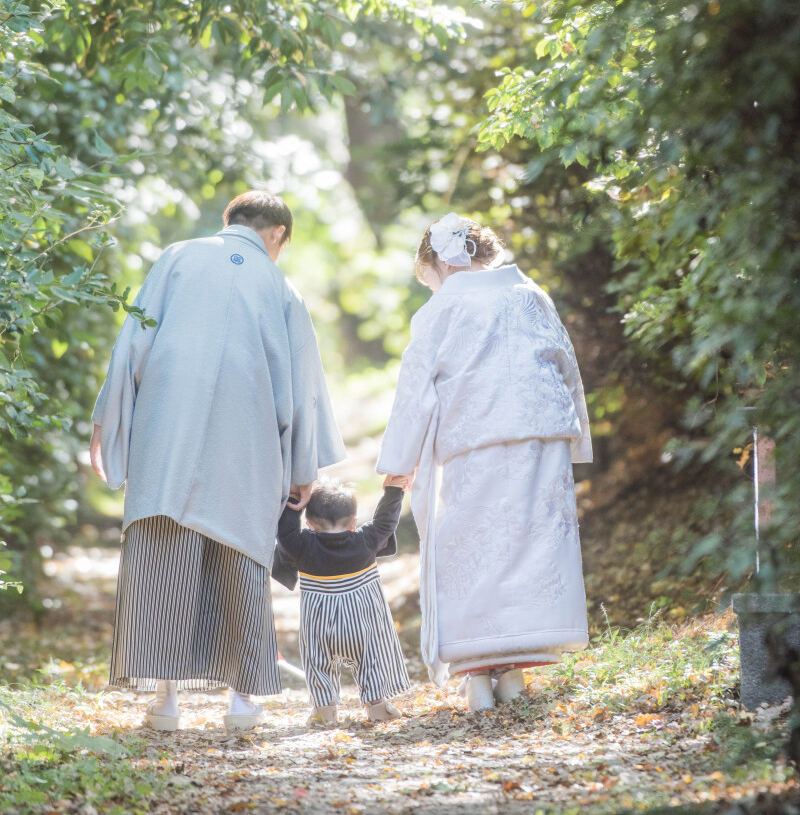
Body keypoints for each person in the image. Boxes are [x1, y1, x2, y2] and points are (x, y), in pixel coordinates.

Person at [90, 190, 345, 731]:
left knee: (163, 554)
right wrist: (304, 468)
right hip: (247, 435)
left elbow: (132, 343)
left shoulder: (177, 257)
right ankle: (243, 702)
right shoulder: (282, 287)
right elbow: (302, 387)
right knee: (241, 556)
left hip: (167, 426)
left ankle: (165, 702)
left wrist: (108, 422)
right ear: (277, 234)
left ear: (231, 221)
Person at [376, 213, 592, 712]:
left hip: (473, 435)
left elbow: (415, 389)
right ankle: (514, 671)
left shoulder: (441, 309)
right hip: (540, 433)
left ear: (441, 263)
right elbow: (566, 366)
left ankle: (477, 676)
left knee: (471, 547)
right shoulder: (531, 294)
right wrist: (576, 438)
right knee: (530, 545)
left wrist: (400, 461)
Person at [272, 477, 411, 725]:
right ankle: (377, 706)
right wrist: (393, 490)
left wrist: (294, 499)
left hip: (320, 628)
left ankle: (324, 710)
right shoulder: (366, 540)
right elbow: (386, 522)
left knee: (318, 663)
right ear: (353, 522)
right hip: (362, 626)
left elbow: (285, 533)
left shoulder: (301, 545)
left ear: (310, 524)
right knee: (372, 658)